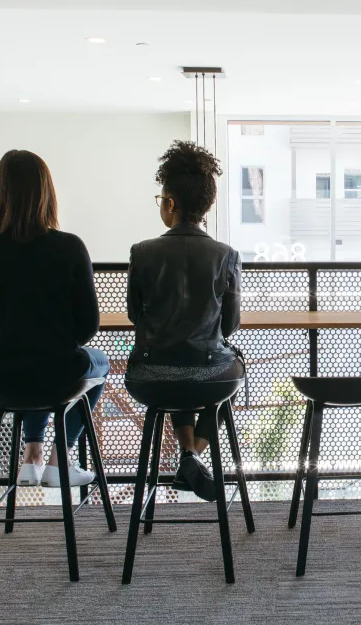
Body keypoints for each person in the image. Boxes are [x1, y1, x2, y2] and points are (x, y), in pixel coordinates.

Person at [0, 150, 109, 488]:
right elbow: (87, 329)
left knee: (35, 365)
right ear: (47, 191)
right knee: (95, 364)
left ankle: (32, 456)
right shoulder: (69, 247)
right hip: (54, 373)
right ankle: (60, 458)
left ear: (0, 192)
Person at [126, 140, 244, 502]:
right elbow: (229, 327)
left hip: (149, 377)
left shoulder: (142, 252)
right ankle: (193, 455)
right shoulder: (227, 255)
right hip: (208, 377)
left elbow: (134, 314)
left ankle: (187, 456)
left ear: (171, 203)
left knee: (173, 367)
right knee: (233, 369)